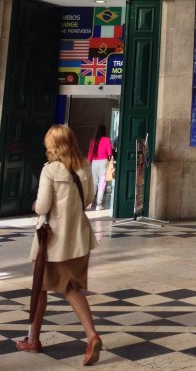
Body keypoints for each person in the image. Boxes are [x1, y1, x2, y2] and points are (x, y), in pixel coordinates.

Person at [16, 124, 102, 365]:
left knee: (59, 288)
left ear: (52, 145)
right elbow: (89, 199)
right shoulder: (84, 166)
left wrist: (34, 206)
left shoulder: (50, 170)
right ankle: (33, 338)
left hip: (53, 241)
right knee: (54, 286)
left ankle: (92, 335)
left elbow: (43, 206)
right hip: (79, 237)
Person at [87, 125, 113, 210]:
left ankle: (89, 202)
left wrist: (89, 162)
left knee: (94, 182)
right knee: (102, 183)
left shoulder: (93, 140)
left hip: (94, 162)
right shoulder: (107, 140)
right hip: (103, 162)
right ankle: (99, 204)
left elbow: (90, 154)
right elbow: (109, 153)